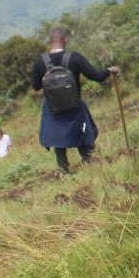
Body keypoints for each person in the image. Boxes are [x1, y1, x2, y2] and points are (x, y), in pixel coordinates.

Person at [29, 29, 118, 172]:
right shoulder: (74, 57)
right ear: (66, 40)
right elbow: (96, 76)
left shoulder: (40, 61)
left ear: (49, 42)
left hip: (52, 107)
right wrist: (109, 70)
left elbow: (36, 86)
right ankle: (87, 160)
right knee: (81, 130)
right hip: (74, 103)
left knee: (58, 134)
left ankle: (63, 167)